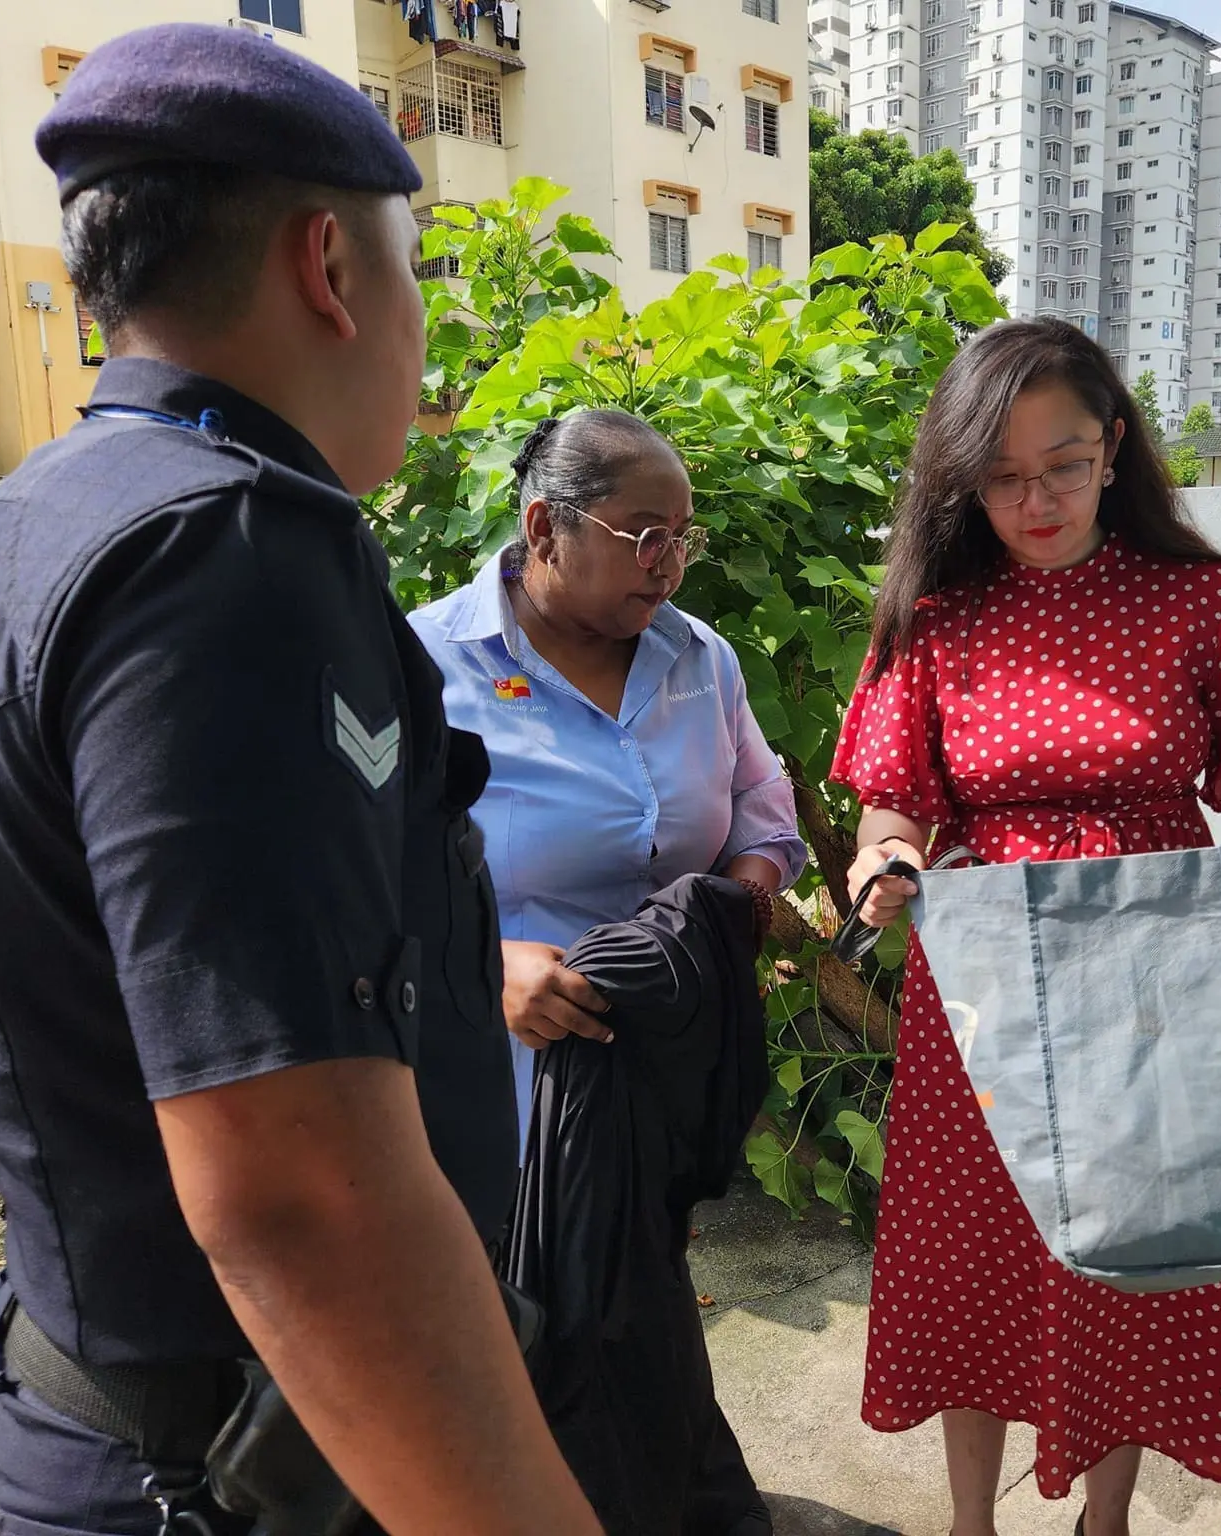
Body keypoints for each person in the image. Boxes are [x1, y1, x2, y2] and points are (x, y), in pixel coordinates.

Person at [0, 26, 598, 1534]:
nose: (419, 331)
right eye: (413, 276)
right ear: (329, 265)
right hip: (231, 1478)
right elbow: (303, 1199)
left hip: (82, 1418)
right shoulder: (231, 556)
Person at [833, 318, 1221, 1536]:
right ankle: (970, 1519)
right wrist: (886, 853)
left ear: (1115, 448)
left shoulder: (1204, 597)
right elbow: (890, 799)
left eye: (1064, 465)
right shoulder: (936, 614)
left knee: (1138, 1249)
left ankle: (1104, 1518)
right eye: (1003, 475)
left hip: (1155, 971)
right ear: (961, 477)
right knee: (976, 1258)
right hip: (985, 982)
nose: (1037, 500)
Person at [410, 409, 806, 1532]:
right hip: (493, 1088)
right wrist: (481, 966)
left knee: (630, 1316)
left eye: (681, 535)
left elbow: (759, 810)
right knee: (502, 1344)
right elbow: (343, 879)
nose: (669, 562)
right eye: (643, 535)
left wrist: (737, 895)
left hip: (648, 1080)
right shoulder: (425, 665)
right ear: (544, 526)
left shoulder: (699, 659)